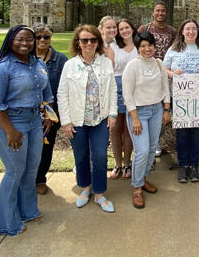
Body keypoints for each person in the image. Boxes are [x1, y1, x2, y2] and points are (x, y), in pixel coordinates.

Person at [0, 25, 52, 236]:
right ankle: (2, 222)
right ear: (10, 40)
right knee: (14, 171)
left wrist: (49, 114)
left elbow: (46, 91)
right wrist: (10, 131)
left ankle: (27, 210)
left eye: (29, 40)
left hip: (34, 121)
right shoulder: (2, 68)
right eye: (20, 39)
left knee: (31, 168)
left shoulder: (37, 63)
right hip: (11, 122)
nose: (25, 43)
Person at [57, 24, 118, 213]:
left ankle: (99, 193)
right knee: (81, 155)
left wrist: (113, 113)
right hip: (77, 121)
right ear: (78, 43)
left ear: (98, 42)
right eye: (85, 40)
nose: (89, 43)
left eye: (93, 40)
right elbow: (62, 94)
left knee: (100, 156)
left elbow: (113, 89)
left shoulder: (105, 63)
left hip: (99, 119)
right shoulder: (70, 65)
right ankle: (85, 188)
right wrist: (66, 121)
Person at [122, 31, 171, 208]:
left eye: (149, 45)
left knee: (151, 149)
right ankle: (136, 189)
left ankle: (142, 179)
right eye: (142, 46)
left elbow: (165, 87)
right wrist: (134, 117)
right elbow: (127, 94)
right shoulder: (132, 66)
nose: (147, 48)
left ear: (154, 46)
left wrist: (166, 110)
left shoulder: (159, 63)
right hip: (138, 113)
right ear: (138, 48)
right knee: (141, 151)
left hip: (156, 110)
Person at [163, 19, 199, 183]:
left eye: (194, 29)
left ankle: (194, 165)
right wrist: (172, 74)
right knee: (182, 132)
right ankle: (183, 165)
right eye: (188, 29)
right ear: (182, 31)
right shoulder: (174, 49)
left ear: (198, 31)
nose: (191, 31)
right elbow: (163, 69)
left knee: (196, 132)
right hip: (179, 96)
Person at [33, 24, 68, 196]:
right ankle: (27, 179)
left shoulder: (60, 59)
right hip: (28, 112)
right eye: (38, 37)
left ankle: (40, 179)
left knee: (46, 145)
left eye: (46, 37)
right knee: (28, 147)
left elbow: (65, 87)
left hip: (51, 112)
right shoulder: (25, 57)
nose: (42, 40)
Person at [138, 1, 176, 156]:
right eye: (157, 11)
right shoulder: (144, 29)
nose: (160, 13)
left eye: (163, 11)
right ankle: (145, 142)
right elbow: (137, 48)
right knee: (147, 107)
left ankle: (157, 141)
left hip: (165, 74)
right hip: (146, 74)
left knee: (162, 110)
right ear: (153, 13)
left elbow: (176, 50)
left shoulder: (172, 31)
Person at [109, 19, 138, 180]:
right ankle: (118, 164)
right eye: (121, 29)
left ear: (132, 28)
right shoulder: (113, 46)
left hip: (134, 88)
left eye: (127, 27)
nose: (125, 31)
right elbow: (109, 68)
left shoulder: (139, 45)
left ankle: (127, 163)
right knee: (115, 128)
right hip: (116, 86)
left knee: (129, 128)